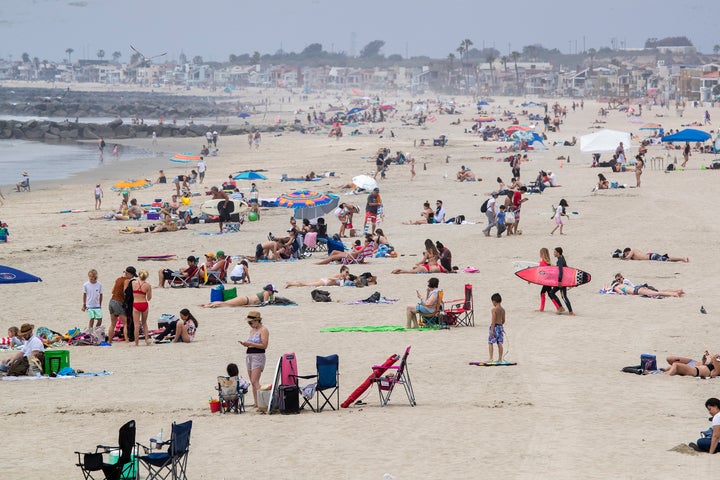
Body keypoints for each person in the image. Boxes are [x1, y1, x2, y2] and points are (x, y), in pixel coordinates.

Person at [239, 311, 269, 409]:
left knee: (254, 380)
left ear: (257, 321)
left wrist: (250, 344)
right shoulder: (252, 331)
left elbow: (264, 345)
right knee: (252, 382)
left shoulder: (263, 330)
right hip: (249, 355)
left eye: (251, 322)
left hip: (258, 356)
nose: (250, 324)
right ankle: (256, 403)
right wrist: (246, 344)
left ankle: (265, 401)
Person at [108, 267, 135, 344]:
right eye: (132, 275)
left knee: (113, 324)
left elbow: (112, 291)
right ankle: (126, 340)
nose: (132, 277)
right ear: (128, 274)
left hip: (111, 301)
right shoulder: (126, 280)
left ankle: (109, 341)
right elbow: (125, 292)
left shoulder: (118, 279)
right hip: (119, 302)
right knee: (125, 323)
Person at [609, 273, 684, 298]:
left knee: (657, 293)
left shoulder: (616, 287)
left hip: (637, 290)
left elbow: (622, 293)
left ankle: (675, 294)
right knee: (658, 291)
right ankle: (677, 291)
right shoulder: (622, 284)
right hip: (639, 287)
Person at [201, 284, 277, 308]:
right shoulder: (266, 293)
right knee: (225, 304)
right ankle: (207, 305)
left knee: (226, 303)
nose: (273, 293)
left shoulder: (265, 292)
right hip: (244, 300)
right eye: (273, 292)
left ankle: (208, 304)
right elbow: (265, 303)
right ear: (270, 290)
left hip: (245, 300)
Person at [130, 269, 152, 346]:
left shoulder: (133, 283)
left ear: (139, 275)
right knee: (144, 323)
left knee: (136, 325)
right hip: (144, 304)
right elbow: (149, 298)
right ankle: (147, 340)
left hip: (136, 304)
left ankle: (136, 342)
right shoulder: (148, 285)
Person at [537, 248, 562, 313]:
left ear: (542, 253)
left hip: (546, 281)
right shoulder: (548, 261)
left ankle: (542, 309)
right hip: (549, 280)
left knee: (543, 293)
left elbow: (540, 272)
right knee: (549, 293)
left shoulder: (543, 261)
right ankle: (558, 307)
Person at [550, 247, 573, 315]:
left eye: (555, 252)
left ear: (558, 253)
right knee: (552, 292)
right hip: (561, 280)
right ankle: (561, 307)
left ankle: (571, 312)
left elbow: (561, 271)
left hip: (561, 282)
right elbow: (565, 267)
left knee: (563, 296)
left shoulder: (560, 260)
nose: (554, 253)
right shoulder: (561, 258)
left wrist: (560, 281)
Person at [285, 266, 351, 288]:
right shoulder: (339, 275)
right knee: (306, 284)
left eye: (348, 272)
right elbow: (330, 278)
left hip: (324, 281)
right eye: (346, 272)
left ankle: (291, 283)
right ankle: (290, 284)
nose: (347, 273)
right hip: (324, 282)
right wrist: (337, 278)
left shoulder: (344, 278)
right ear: (342, 271)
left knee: (307, 283)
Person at [488, 293, 506, 362]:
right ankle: (500, 358)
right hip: (500, 327)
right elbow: (503, 320)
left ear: (494, 301)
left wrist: (492, 330)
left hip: (494, 327)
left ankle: (491, 358)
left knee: (490, 342)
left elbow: (493, 320)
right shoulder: (503, 310)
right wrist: (500, 326)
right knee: (500, 343)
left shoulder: (494, 310)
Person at [621, 248, 689, 262]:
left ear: (628, 251)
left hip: (651, 256)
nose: (626, 255)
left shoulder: (632, 250)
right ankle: (681, 259)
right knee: (666, 258)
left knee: (667, 259)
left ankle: (682, 258)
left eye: (626, 253)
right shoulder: (634, 255)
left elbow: (627, 258)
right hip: (651, 256)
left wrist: (621, 257)